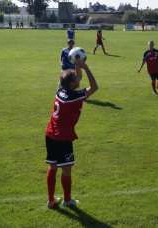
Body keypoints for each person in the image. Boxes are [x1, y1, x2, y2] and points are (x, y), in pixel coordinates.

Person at [45, 59, 98, 208]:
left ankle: (51, 200)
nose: (78, 78)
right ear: (72, 84)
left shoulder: (60, 90)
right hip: (63, 137)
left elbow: (77, 80)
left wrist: (76, 65)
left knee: (53, 167)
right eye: (75, 78)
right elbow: (94, 87)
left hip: (50, 134)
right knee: (66, 169)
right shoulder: (73, 97)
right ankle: (67, 200)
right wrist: (86, 67)